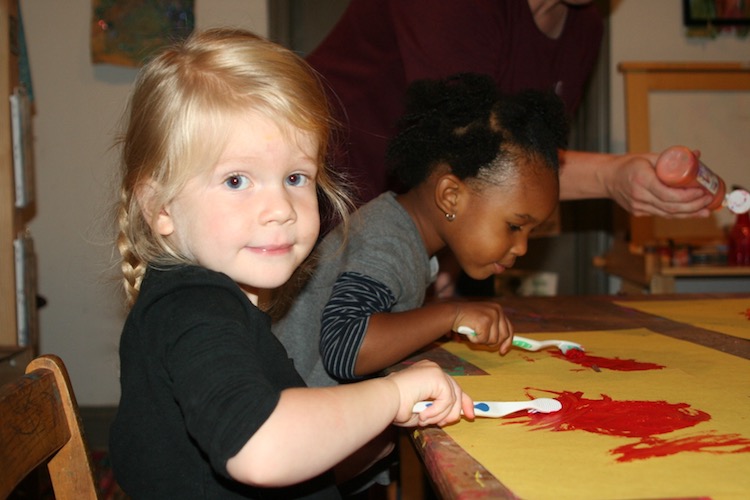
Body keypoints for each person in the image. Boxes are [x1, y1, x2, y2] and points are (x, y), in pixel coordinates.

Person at [108, 28, 474, 499]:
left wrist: (382, 431)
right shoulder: (193, 308)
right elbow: (260, 447)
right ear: (159, 207)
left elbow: (292, 453)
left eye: (296, 176)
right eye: (237, 180)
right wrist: (393, 394)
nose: (280, 207)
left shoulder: (220, 301)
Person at [275, 72, 568, 386]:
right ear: (451, 197)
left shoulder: (404, 234)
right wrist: (450, 315)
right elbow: (346, 349)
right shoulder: (387, 241)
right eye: (514, 226)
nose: (522, 247)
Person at [306, 0, 712, 217]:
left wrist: (446, 258)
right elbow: (476, 149)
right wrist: (611, 176)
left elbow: (528, 159)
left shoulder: (585, 28)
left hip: (421, 216)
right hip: (324, 200)